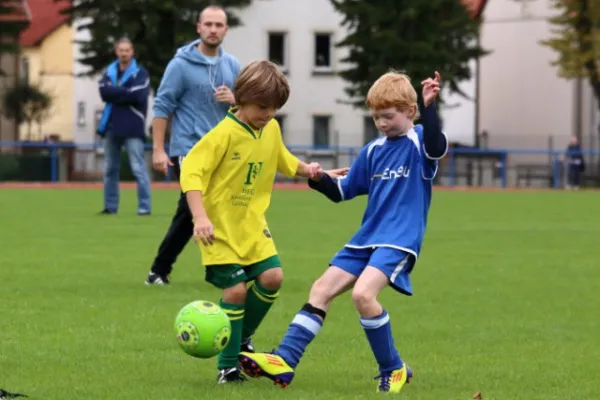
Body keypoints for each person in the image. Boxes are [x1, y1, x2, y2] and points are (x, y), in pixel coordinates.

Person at [238, 71, 448, 394]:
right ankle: (285, 360)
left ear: (409, 110)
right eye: (376, 116)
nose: (381, 123)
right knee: (321, 289)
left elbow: (436, 147)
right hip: (367, 237)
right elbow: (343, 191)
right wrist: (316, 177)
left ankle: (393, 369)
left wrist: (431, 107)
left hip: (399, 240)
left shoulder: (419, 141)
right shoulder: (373, 151)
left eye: (389, 116)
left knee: (363, 295)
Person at [180, 60, 343, 384]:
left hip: (252, 225)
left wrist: (314, 171)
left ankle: (241, 338)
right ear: (241, 98)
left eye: (274, 108)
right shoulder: (223, 134)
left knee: (273, 277)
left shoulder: (270, 128)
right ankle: (228, 367)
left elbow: (282, 159)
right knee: (237, 291)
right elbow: (191, 173)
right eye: (262, 106)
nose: (268, 114)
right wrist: (199, 218)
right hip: (220, 230)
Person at [146, 5, 239, 285]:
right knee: (198, 208)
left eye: (218, 25)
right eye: (208, 24)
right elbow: (162, 106)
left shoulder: (232, 65)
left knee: (195, 213)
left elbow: (246, 106)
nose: (213, 29)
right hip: (189, 150)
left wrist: (235, 100)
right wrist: (159, 149)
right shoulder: (181, 65)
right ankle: (214, 270)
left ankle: (161, 271)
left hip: (222, 152)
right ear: (198, 27)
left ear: (226, 30)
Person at [97, 38, 151, 215]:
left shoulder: (140, 73)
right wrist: (124, 93)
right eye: (121, 50)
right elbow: (104, 92)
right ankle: (110, 207)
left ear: (132, 52)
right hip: (111, 126)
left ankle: (144, 207)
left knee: (138, 168)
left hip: (132, 127)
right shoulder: (110, 71)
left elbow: (138, 96)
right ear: (116, 52)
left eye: (127, 50)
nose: (124, 53)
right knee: (109, 169)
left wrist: (115, 92)